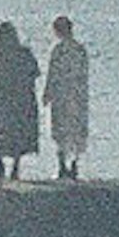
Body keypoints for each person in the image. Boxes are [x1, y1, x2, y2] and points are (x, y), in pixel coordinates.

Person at [0, 21, 42, 181]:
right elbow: (34, 72)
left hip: (7, 96)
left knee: (4, 131)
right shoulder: (21, 52)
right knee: (14, 132)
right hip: (17, 97)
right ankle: (12, 167)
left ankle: (4, 167)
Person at [44, 14, 92, 181]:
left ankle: (63, 165)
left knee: (61, 130)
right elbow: (83, 75)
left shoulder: (59, 50)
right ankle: (74, 164)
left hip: (62, 96)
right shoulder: (80, 49)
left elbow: (53, 73)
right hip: (77, 95)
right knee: (76, 130)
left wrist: (47, 93)